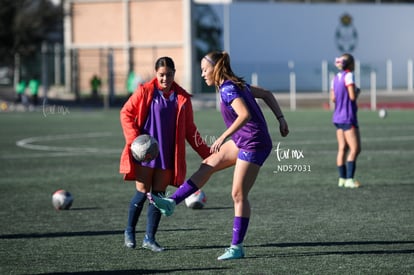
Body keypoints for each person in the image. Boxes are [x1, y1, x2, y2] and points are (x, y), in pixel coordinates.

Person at [148, 51, 289, 260]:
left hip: (254, 143)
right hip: (244, 140)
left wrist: (222, 137)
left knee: (238, 194)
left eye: (205, 70)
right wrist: (281, 118)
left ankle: (237, 247)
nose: (203, 74)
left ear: (216, 68)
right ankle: (171, 203)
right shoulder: (235, 85)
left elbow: (245, 114)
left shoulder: (229, 89)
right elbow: (267, 94)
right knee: (208, 163)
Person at [119, 56, 210, 252]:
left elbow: (189, 129)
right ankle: (129, 231)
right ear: (156, 74)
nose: (165, 79)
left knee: (158, 196)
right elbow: (125, 113)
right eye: (161, 75)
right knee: (142, 193)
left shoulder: (182, 98)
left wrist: (207, 153)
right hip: (145, 154)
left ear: (174, 74)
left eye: (169, 75)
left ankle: (149, 238)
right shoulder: (145, 91)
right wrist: (136, 140)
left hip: (167, 155)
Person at [330, 53, 361, 188]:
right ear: (351, 64)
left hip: (337, 117)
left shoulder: (335, 78)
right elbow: (352, 96)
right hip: (348, 116)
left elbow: (333, 98)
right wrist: (357, 91)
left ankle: (341, 179)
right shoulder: (349, 76)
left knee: (342, 148)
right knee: (355, 149)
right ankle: (349, 179)